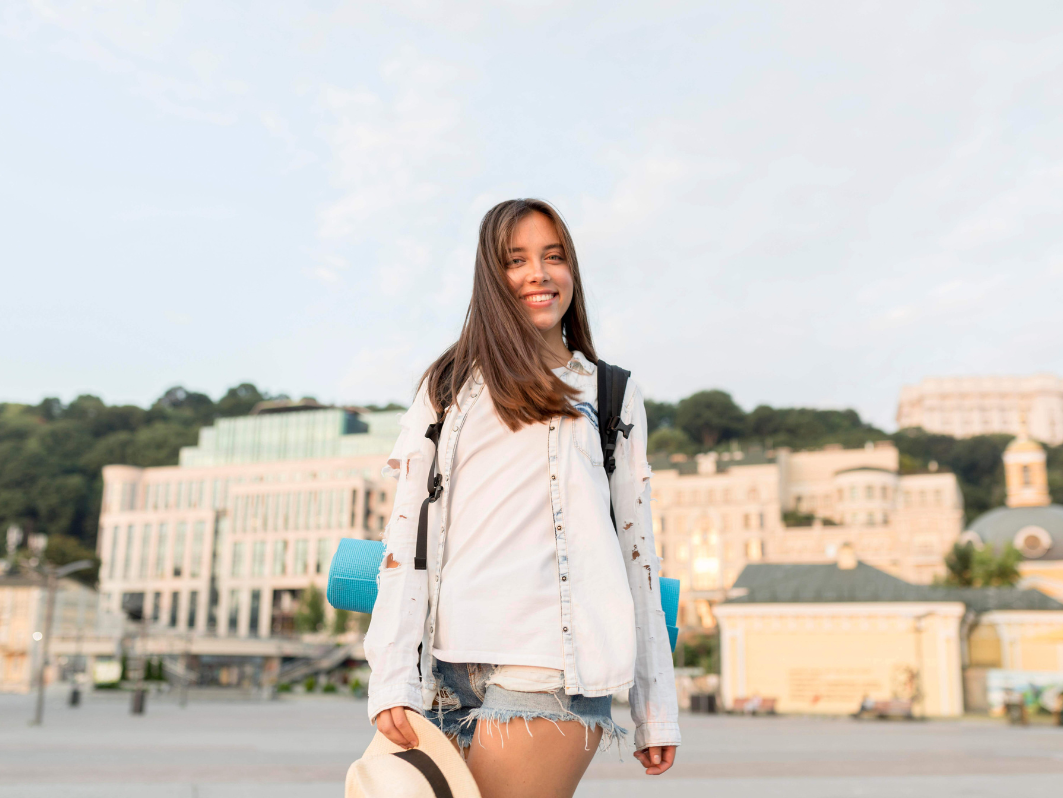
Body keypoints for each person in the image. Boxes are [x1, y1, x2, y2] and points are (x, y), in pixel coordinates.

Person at [364, 198, 680, 798]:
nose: (539, 273)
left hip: (553, 660)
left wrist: (654, 706)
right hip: (445, 669)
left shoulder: (609, 391)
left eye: (553, 257)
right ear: (492, 276)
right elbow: (407, 539)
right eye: (517, 260)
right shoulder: (449, 385)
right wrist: (393, 677)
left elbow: (636, 550)